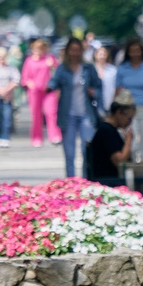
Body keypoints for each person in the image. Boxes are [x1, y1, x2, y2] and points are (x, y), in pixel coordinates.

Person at [50, 37, 94, 179]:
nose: (75, 53)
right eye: (72, 50)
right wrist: (48, 87)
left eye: (78, 50)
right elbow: (54, 82)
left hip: (86, 113)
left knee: (87, 150)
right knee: (69, 152)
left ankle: (87, 180)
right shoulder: (62, 69)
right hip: (68, 114)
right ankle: (71, 182)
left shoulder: (88, 68)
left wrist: (94, 93)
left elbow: (98, 86)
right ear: (67, 51)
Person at [112, 38, 143, 150]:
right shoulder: (122, 68)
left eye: (137, 51)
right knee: (131, 143)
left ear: (142, 52)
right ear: (128, 52)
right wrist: (114, 112)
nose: (135, 54)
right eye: (132, 51)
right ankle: (133, 160)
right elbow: (117, 90)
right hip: (128, 109)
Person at [83, 90, 138, 185]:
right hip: (108, 180)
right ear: (118, 113)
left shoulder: (110, 130)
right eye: (129, 118)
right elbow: (120, 162)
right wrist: (128, 140)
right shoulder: (107, 131)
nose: (129, 122)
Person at [21, 38, 60, 147]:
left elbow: (58, 72)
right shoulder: (29, 61)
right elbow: (25, 77)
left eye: (41, 48)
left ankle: (55, 136)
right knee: (36, 115)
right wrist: (29, 83)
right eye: (37, 48)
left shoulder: (50, 58)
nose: (39, 50)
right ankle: (36, 138)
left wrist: (52, 65)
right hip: (35, 91)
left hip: (48, 90)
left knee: (51, 112)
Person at [0, 43, 18, 141]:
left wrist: (6, 90)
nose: (2, 59)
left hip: (7, 97)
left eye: (3, 57)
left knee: (7, 117)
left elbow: (16, 80)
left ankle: (5, 137)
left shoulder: (11, 68)